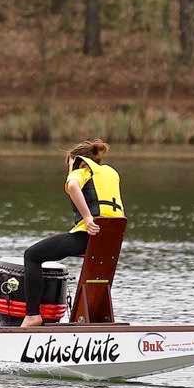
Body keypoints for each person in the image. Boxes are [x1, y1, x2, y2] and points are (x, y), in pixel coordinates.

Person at [20, 139, 124, 328]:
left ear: (75, 160)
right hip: (111, 240)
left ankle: (32, 315)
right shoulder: (111, 172)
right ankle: (96, 317)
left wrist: (88, 217)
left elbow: (73, 187)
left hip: (88, 235)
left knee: (32, 256)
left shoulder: (80, 172)